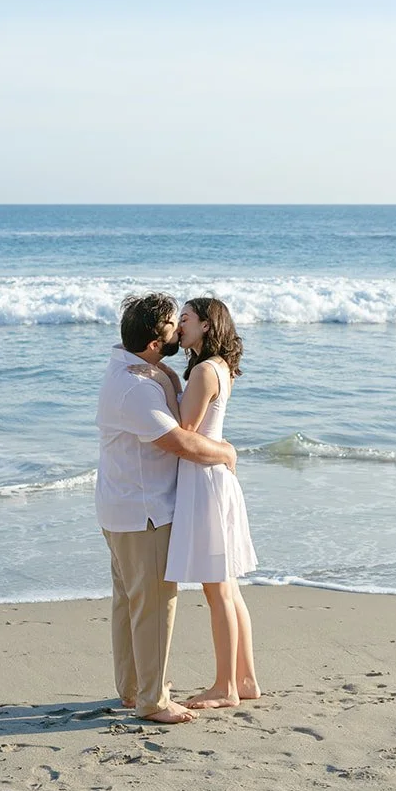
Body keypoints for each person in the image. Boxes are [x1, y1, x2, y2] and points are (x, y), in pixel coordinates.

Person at [95, 293, 237, 724]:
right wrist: (225, 452)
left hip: (122, 505)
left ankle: (134, 687)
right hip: (144, 511)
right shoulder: (135, 388)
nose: (179, 329)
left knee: (131, 601)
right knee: (156, 603)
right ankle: (153, 700)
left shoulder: (136, 369)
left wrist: (168, 375)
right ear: (156, 341)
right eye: (174, 325)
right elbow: (180, 442)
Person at [154, 297, 260, 709]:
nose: (179, 327)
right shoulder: (217, 367)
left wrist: (158, 380)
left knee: (217, 590)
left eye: (185, 319)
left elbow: (185, 432)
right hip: (214, 478)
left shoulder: (202, 371)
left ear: (206, 325)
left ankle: (225, 687)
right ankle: (245, 678)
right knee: (228, 588)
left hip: (204, 479)